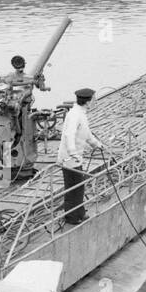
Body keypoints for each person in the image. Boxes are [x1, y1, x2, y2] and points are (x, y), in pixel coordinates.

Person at [57, 88, 106, 225]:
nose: (95, 102)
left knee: (79, 186)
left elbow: (87, 133)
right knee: (73, 187)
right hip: (70, 158)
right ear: (88, 102)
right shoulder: (74, 115)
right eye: (93, 100)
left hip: (76, 157)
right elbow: (69, 135)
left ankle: (80, 212)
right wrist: (73, 153)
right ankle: (72, 217)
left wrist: (97, 144)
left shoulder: (81, 114)